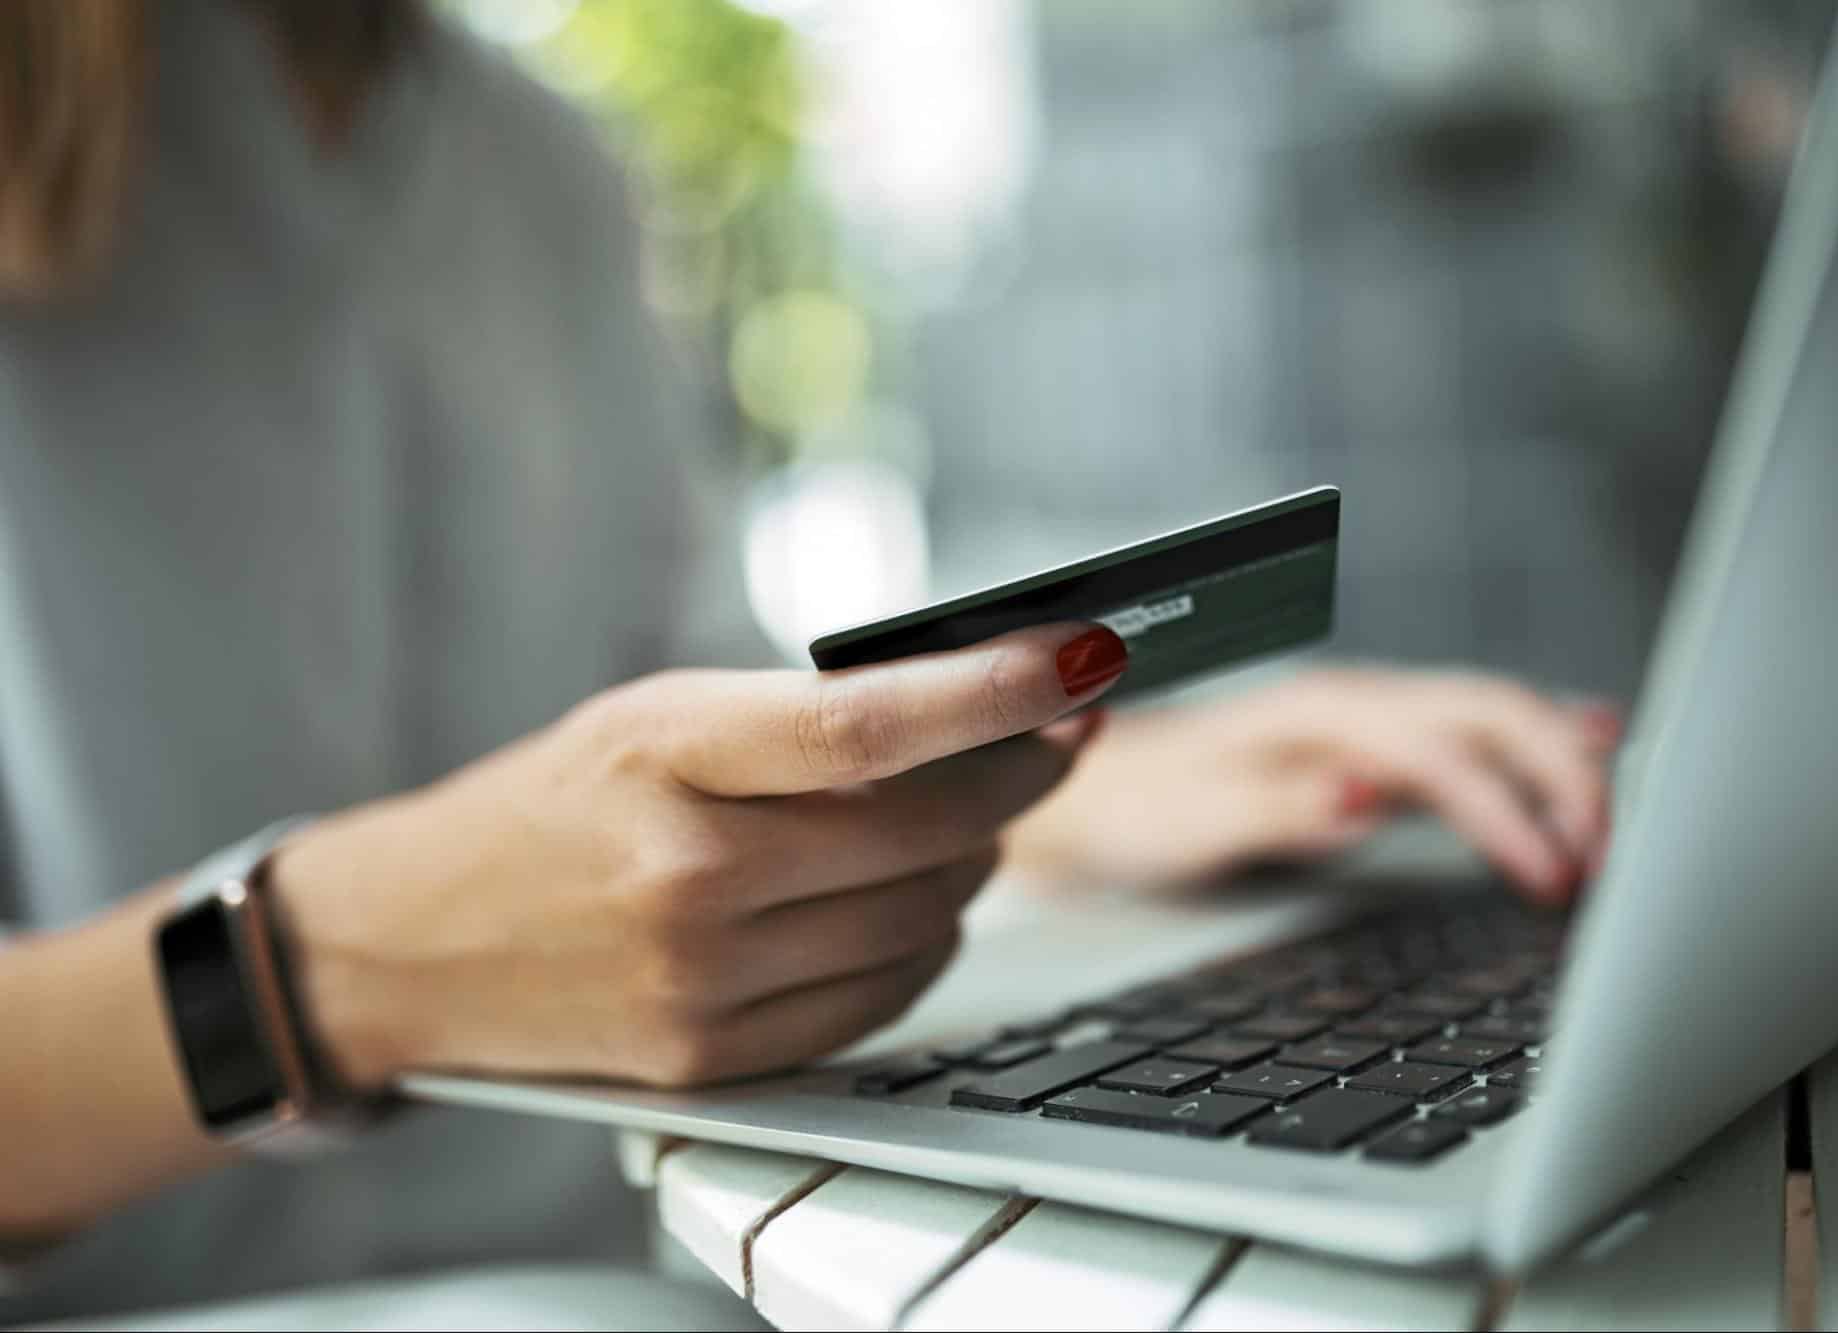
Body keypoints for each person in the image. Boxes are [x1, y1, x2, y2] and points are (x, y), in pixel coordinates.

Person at [0, 1, 1614, 1325]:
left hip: (656, 1274)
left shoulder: (535, 167)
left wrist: (1108, 783)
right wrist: (323, 972)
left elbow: (683, 765)